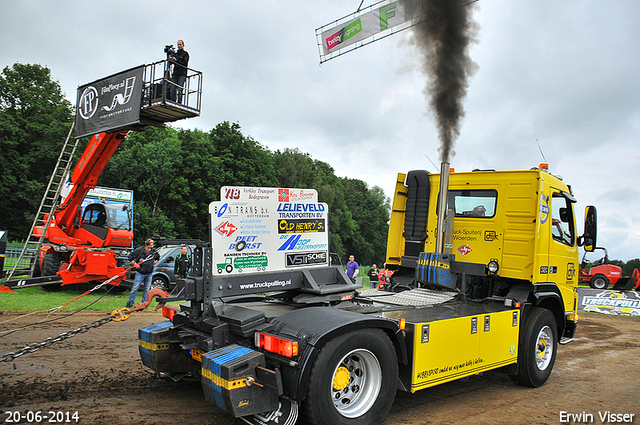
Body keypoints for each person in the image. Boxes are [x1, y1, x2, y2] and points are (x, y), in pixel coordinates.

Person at [126, 238, 160, 308]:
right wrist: (134, 264)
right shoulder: (139, 250)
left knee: (147, 289)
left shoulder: (154, 251)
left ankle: (144, 304)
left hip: (149, 273)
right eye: (150, 242)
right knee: (135, 288)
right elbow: (130, 257)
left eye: (152, 243)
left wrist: (156, 260)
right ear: (146, 242)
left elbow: (158, 257)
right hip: (140, 273)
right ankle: (130, 303)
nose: (151, 244)